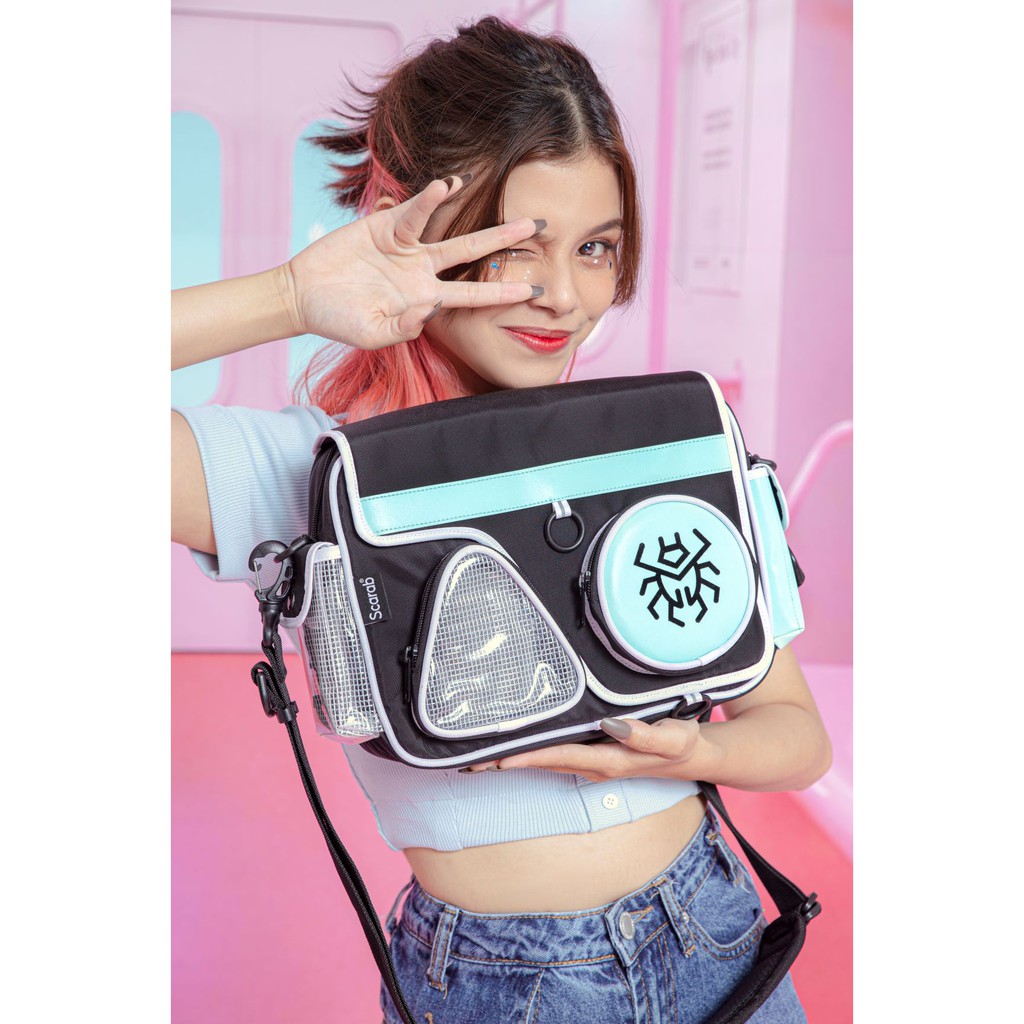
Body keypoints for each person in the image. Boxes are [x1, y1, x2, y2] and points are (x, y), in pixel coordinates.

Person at [171, 15, 831, 1024]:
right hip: (507, 985)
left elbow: (796, 735)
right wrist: (296, 294)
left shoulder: (656, 446)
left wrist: (691, 754)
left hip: (720, 933)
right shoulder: (309, 471)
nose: (564, 295)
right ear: (414, 230)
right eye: (519, 247)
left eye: (596, 248)